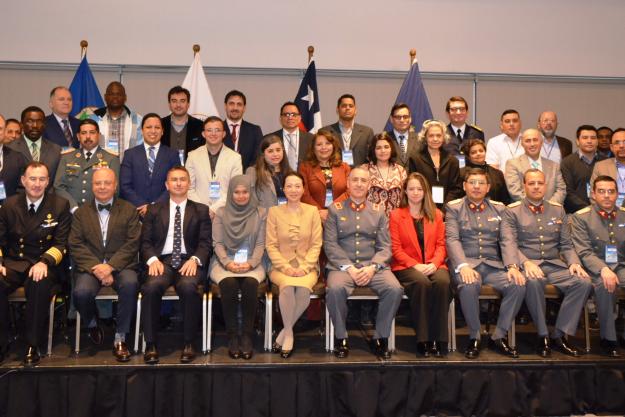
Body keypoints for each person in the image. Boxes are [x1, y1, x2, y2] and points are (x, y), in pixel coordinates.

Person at [503, 169, 592, 357]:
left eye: (540, 183)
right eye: (532, 183)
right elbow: (509, 243)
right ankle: (542, 335)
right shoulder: (512, 211)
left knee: (583, 282)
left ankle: (560, 335)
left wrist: (574, 262)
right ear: (524, 186)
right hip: (529, 264)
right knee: (534, 282)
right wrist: (525, 263)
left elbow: (566, 244)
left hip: (554, 264)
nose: (536, 187)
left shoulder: (558, 209)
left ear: (546, 185)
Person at [445, 168, 526, 359]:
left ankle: (499, 336)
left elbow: (507, 240)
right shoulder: (454, 208)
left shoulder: (499, 208)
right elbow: (452, 239)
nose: (476, 187)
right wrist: (462, 265)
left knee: (518, 283)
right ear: (464, 186)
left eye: (481, 183)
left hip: (492, 265)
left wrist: (513, 267)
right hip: (467, 264)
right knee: (469, 285)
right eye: (472, 182)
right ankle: (475, 336)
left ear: (488, 187)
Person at [324, 167, 403, 359]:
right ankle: (341, 337)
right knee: (334, 289)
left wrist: (373, 267)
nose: (359, 184)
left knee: (394, 289)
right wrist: (349, 268)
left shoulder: (378, 211)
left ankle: (380, 337)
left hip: (373, 266)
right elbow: (330, 244)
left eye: (363, 181)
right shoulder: (335, 210)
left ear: (369, 185)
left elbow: (385, 247)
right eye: (355, 180)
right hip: (343, 267)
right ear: (348, 184)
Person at [0, 162, 71, 366]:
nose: (37, 184)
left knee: (39, 284)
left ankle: (33, 344)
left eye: (42, 179)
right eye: (32, 179)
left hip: (44, 263)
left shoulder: (60, 205)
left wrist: (44, 262)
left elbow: (61, 243)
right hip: (15, 262)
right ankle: (2, 342)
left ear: (48, 182)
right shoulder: (9, 205)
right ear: (23, 181)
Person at [140, 166, 212, 364]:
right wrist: (152, 260)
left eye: (182, 179)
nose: (179, 183)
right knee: (151, 287)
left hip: (188, 260)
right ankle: (151, 343)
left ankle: (189, 342)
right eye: (174, 180)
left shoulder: (201, 210)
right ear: (167, 184)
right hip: (161, 261)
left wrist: (195, 260)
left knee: (189, 287)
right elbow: (145, 242)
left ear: (189, 184)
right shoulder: (154, 210)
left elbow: (205, 243)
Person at [69, 168, 141, 362]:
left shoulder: (128, 209)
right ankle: (92, 324)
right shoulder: (81, 213)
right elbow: (75, 244)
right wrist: (97, 268)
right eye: (98, 183)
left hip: (122, 265)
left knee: (130, 284)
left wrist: (110, 267)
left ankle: (121, 336)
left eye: (107, 183)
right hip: (91, 267)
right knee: (81, 292)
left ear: (115, 185)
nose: (102, 187)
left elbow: (133, 243)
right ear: (92, 186)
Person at [389, 172, 450, 357]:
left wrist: (434, 263)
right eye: (411, 189)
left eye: (419, 189)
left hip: (434, 264)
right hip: (406, 267)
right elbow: (395, 248)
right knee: (421, 283)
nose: (415, 192)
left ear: (425, 192)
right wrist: (415, 265)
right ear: (405, 192)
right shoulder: (396, 215)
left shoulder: (437, 215)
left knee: (443, 282)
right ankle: (423, 340)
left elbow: (441, 245)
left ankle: (439, 339)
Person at [210, 174, 267, 360]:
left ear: (250, 193)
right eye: (236, 192)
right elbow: (217, 243)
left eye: (245, 192)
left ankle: (247, 336)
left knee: (251, 285)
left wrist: (251, 263)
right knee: (229, 285)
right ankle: (233, 336)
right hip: (223, 261)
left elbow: (260, 244)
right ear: (230, 193)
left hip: (253, 261)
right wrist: (228, 262)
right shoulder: (220, 213)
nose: (241, 196)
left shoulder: (260, 213)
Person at [266, 172, 322, 358]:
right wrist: (285, 267)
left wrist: (305, 267)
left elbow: (316, 244)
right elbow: (271, 245)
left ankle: (284, 332)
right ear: (283, 188)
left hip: (308, 265)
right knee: (288, 287)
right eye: (289, 186)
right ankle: (289, 333)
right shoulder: (274, 212)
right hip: (280, 267)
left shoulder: (312, 211)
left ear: (303, 188)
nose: (293, 190)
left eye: (297, 186)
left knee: (304, 289)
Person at [571, 176, 625, 357]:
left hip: (621, 265)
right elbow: (584, 251)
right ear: (593, 194)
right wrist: (603, 269)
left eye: (611, 191)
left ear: (617, 194)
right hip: (594, 267)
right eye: (601, 191)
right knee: (605, 285)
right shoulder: (581, 217)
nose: (607, 196)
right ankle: (608, 339)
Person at [120, 113, 180, 216]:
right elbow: (125, 185)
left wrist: (154, 206)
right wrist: (142, 205)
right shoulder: (130, 154)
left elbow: (174, 184)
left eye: (157, 127)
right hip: (135, 213)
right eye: (148, 127)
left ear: (162, 131)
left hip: (163, 212)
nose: (153, 131)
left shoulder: (172, 155)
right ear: (142, 130)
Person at [54, 119, 120, 213]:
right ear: (78, 136)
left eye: (92, 132)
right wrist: (73, 207)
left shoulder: (111, 158)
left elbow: (115, 189)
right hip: (71, 213)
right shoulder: (67, 157)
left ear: (99, 135)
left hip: (99, 212)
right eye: (84, 133)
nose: (88, 136)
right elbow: (58, 186)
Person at [187, 116, 243, 219]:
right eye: (209, 130)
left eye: (217, 130)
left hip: (225, 213)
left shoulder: (235, 158)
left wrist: (214, 209)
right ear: (203, 134)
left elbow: (234, 189)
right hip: (198, 214)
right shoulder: (192, 156)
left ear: (224, 134)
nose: (213, 134)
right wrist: (203, 209)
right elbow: (189, 188)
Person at [408, 120, 462, 210]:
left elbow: (456, 189)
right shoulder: (415, 159)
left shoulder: (452, 161)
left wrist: (444, 210)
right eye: (431, 136)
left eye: (438, 135)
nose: (435, 139)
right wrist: (427, 208)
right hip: (422, 208)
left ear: (444, 137)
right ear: (425, 137)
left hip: (447, 210)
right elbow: (414, 186)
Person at [299, 129, 351, 222]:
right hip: (313, 217)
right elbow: (304, 194)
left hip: (341, 216)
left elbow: (350, 191)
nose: (324, 147)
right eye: (319, 144)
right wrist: (319, 212)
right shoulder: (305, 168)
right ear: (313, 148)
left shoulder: (344, 167)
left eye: (327, 143)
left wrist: (331, 211)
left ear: (333, 146)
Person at [504, 128, 566, 205]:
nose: (532, 144)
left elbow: (561, 189)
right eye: (528, 141)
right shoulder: (512, 164)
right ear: (522, 143)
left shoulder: (554, 166)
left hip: (551, 212)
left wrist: (548, 207)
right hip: (524, 212)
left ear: (541, 142)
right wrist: (536, 205)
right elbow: (515, 191)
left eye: (535, 140)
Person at [90, 82, 143, 159]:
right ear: (105, 97)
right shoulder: (94, 119)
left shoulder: (137, 120)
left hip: (128, 169)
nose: (115, 97)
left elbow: (140, 148)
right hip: (101, 168)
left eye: (119, 94)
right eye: (111, 94)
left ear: (125, 97)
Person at [9, 106, 61, 183]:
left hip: (48, 194)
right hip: (19, 194)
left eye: (39, 121)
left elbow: (57, 181)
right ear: (22, 125)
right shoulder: (10, 148)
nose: (35, 126)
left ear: (44, 124)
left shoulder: (56, 150)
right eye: (30, 121)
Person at [561, 125, 606, 213]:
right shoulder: (567, 162)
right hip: (577, 213)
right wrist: (589, 209)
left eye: (593, 138)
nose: (589, 141)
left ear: (597, 141)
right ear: (577, 141)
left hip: (603, 211)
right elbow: (568, 191)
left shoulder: (605, 162)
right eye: (585, 138)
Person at [322, 94, 374, 167]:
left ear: (355, 110)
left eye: (351, 106)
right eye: (344, 106)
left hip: (359, 175)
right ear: (337, 110)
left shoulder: (367, 132)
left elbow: (372, 157)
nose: (347, 108)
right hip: (334, 174)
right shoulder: (325, 131)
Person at [362, 132, 407, 216]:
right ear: (373, 150)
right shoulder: (364, 170)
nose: (383, 151)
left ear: (391, 149)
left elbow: (405, 199)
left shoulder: (401, 171)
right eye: (378, 148)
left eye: (386, 147)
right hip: (370, 221)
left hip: (395, 222)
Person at [246, 134, 293, 208]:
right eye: (270, 151)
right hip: (265, 218)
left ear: (283, 150)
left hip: (288, 216)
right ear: (263, 154)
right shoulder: (253, 172)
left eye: (278, 150)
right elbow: (251, 201)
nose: (275, 154)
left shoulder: (290, 172)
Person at [160, 86, 204, 162]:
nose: (178, 105)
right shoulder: (160, 125)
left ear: (188, 104)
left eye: (182, 101)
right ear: (169, 104)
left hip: (191, 172)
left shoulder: (200, 126)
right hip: (165, 172)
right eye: (174, 101)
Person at [222, 90, 263, 171]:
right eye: (231, 104)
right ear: (225, 106)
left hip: (247, 180)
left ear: (244, 108)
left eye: (239, 104)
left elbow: (258, 158)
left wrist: (245, 178)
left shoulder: (255, 131)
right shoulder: (216, 130)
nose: (235, 108)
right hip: (221, 178)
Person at [459, 139, 510, 204]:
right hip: (468, 211)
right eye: (473, 152)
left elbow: (504, 198)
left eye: (481, 151)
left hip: (494, 211)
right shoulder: (461, 173)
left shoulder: (497, 173)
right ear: (468, 156)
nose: (478, 154)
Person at [268, 102, 313, 171]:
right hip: (277, 180)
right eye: (286, 114)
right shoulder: (270, 139)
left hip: (304, 180)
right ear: (280, 118)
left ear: (300, 118)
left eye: (294, 114)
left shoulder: (311, 139)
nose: (290, 117)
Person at [591, 128, 625, 200]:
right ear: (612, 147)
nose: (621, 146)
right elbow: (593, 196)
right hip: (608, 210)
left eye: (624, 142)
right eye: (617, 143)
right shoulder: (600, 166)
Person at [0, 114, 28, 200]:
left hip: (9, 210)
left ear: (5, 131)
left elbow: (22, 188)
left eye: (0, 128)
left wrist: (9, 207)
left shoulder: (17, 158)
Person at [384, 103, 420, 168]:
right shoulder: (384, 139)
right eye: (398, 117)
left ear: (410, 119)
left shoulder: (420, 139)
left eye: (405, 117)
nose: (402, 120)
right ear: (391, 119)